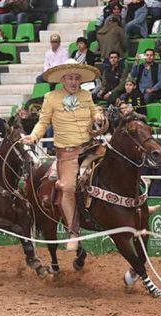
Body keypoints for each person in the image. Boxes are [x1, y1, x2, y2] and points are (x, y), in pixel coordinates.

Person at [21, 60, 103, 250]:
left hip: (91, 147)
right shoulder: (51, 97)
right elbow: (43, 122)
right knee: (68, 187)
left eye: (76, 78)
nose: (73, 82)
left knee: (121, 161)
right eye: (70, 78)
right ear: (62, 80)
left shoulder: (86, 95)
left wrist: (98, 116)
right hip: (67, 153)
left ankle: (135, 207)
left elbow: (94, 112)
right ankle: (73, 231)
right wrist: (33, 136)